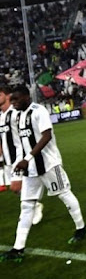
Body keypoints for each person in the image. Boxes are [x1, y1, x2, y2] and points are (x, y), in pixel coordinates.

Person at [0, 86, 86, 263]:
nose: (13, 103)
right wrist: (20, 163)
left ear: (26, 97)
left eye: (16, 99)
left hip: (49, 164)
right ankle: (18, 248)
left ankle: (81, 228)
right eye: (12, 99)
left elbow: (46, 136)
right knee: (26, 206)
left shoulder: (39, 111)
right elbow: (20, 144)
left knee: (64, 194)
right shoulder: (18, 116)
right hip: (30, 169)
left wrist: (28, 158)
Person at [0, 85, 44, 224]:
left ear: (7, 96)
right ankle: (32, 206)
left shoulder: (15, 113)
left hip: (18, 157)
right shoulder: (1, 116)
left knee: (16, 186)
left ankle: (33, 207)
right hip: (7, 159)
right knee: (15, 188)